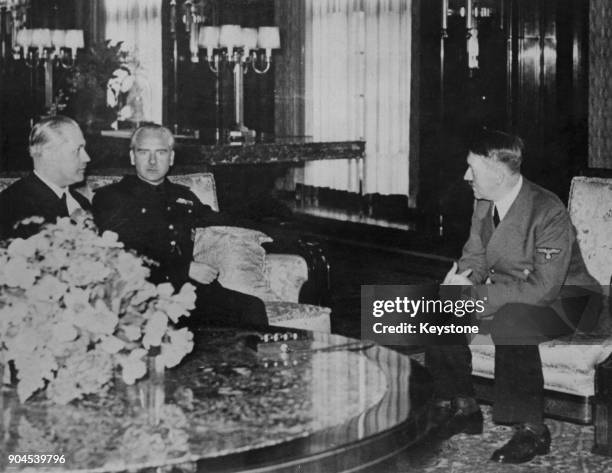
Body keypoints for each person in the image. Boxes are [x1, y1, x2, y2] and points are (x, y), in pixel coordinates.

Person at [426, 129, 600, 464]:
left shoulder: (547, 210)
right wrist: (459, 282)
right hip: (510, 292)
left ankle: (532, 430)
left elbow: (542, 289)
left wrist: (474, 295)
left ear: (497, 174)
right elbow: (475, 257)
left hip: (569, 300)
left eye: (472, 170)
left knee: (512, 320)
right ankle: (463, 406)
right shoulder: (484, 201)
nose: (465, 176)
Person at [91, 124, 268, 328]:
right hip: (145, 292)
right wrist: (183, 270)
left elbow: (220, 219)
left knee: (251, 307)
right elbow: (124, 252)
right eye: (143, 152)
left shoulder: (182, 196)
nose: (152, 161)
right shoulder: (111, 197)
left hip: (190, 291)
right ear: (132, 157)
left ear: (171, 158)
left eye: (160, 152)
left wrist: (279, 232)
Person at [0, 115, 91, 239]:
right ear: (49, 154)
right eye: (77, 150)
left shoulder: (81, 202)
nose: (87, 158)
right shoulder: (12, 206)